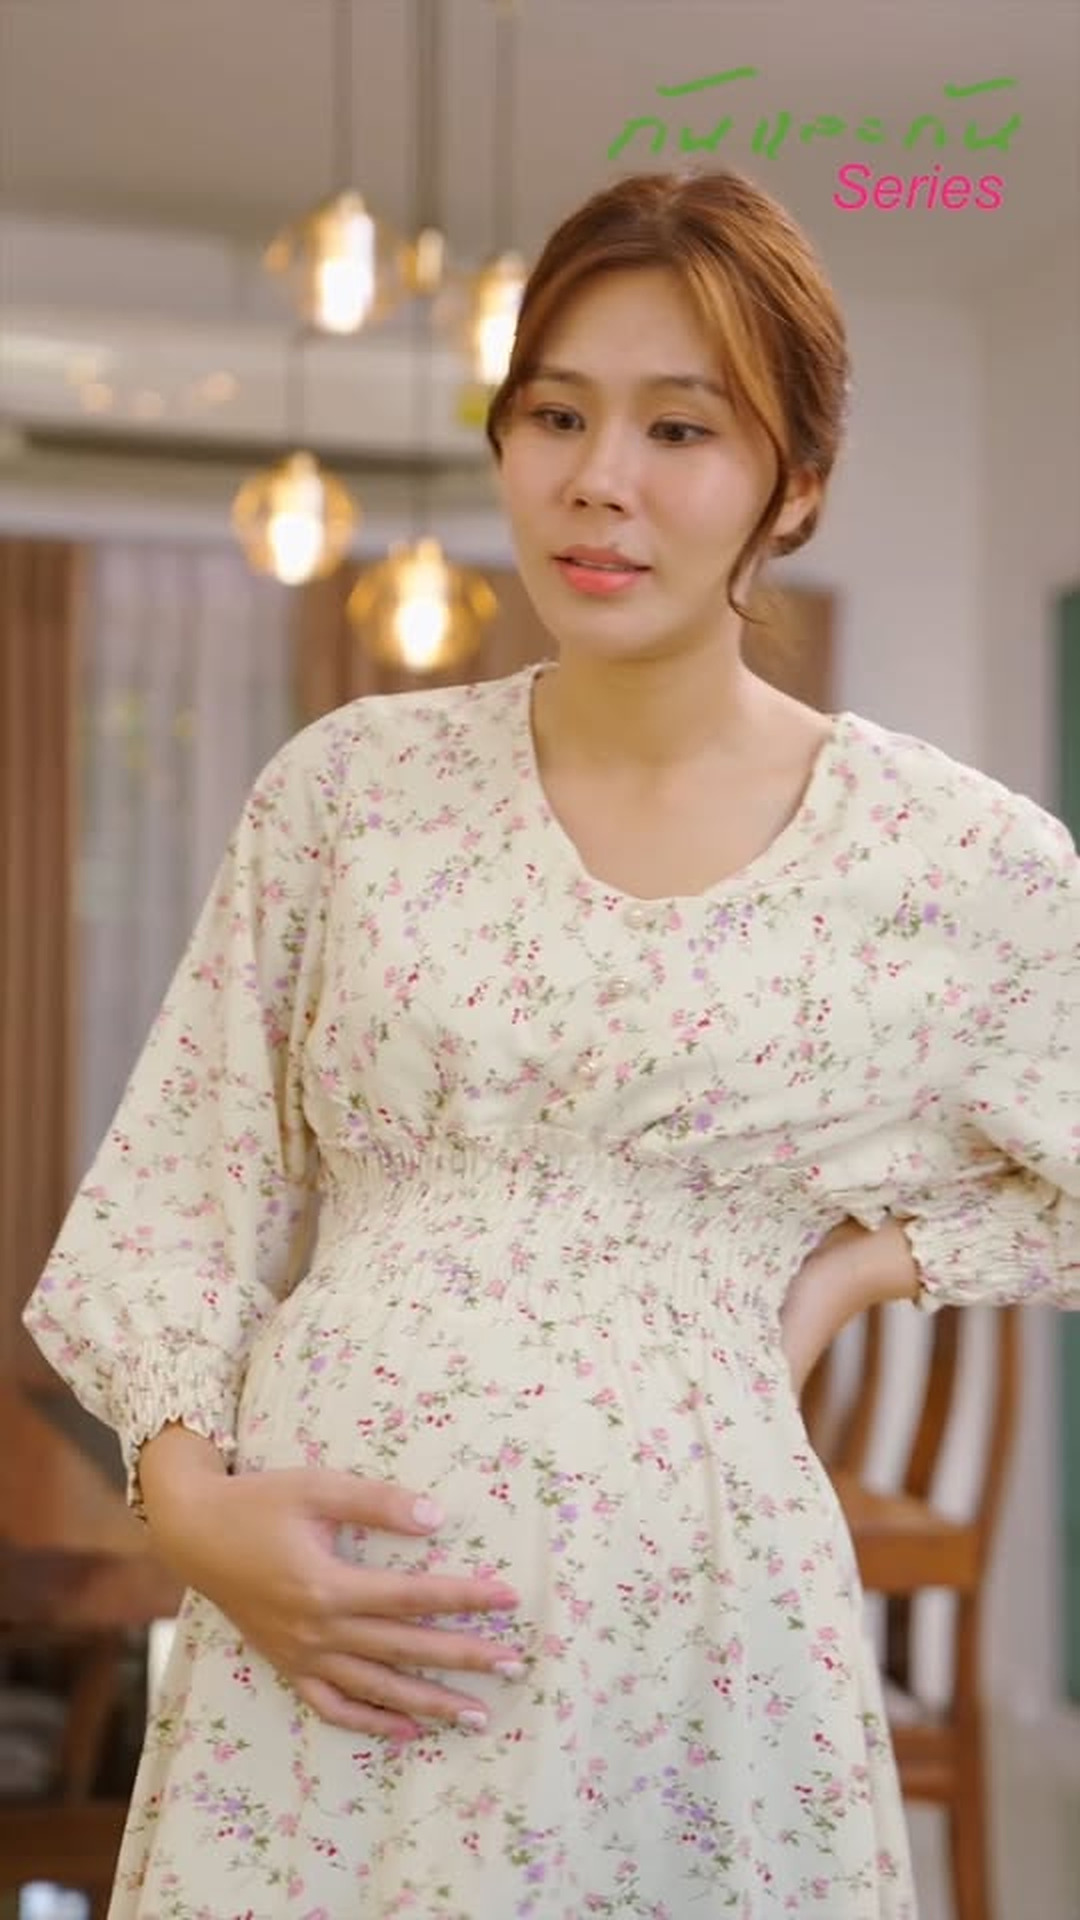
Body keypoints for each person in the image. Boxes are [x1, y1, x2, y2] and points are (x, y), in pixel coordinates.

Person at [23, 166, 1078, 1919]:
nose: (601, 478)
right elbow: (174, 1200)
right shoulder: (352, 792)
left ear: (796, 485)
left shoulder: (943, 859)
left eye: (682, 427)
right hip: (319, 1658)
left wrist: (854, 1270)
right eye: (557, 414)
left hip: (697, 1648)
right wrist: (192, 1508)